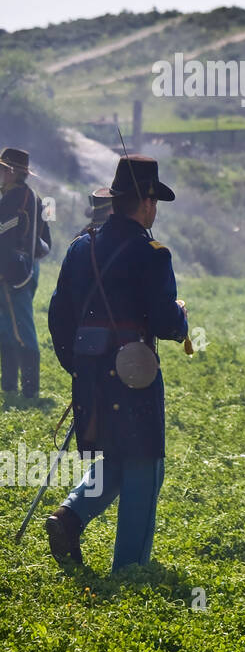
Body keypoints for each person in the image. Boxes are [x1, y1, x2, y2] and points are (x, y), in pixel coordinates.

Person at [44, 155, 188, 571]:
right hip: (133, 377)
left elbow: (58, 317)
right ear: (144, 203)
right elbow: (164, 322)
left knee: (114, 458)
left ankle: (69, 518)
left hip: (90, 374)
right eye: (154, 201)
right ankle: (130, 569)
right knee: (144, 465)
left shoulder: (80, 246)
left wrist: (80, 367)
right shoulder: (153, 254)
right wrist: (181, 318)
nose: (155, 210)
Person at [0, 147, 52, 398]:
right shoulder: (36, 198)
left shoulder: (12, 199)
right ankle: (10, 385)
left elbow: (4, 239)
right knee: (9, 329)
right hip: (27, 269)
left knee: (20, 330)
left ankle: (28, 389)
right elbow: (46, 243)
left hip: (11, 273)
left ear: (10, 172)